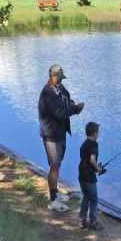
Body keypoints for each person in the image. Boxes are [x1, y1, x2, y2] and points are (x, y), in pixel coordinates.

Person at [38, 64, 84, 212]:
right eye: (59, 78)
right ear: (53, 76)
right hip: (51, 135)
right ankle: (52, 199)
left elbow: (67, 100)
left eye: (61, 78)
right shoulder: (47, 94)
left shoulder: (61, 89)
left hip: (61, 132)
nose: (61, 81)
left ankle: (56, 193)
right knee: (54, 166)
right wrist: (75, 110)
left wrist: (72, 104)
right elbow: (59, 113)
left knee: (58, 164)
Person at [79, 121, 105, 230]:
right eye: (98, 132)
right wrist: (98, 169)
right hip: (89, 176)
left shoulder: (84, 143)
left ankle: (83, 220)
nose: (98, 134)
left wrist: (95, 167)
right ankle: (93, 222)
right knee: (94, 199)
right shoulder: (94, 144)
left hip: (81, 174)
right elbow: (92, 159)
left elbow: (86, 160)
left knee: (86, 197)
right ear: (94, 133)